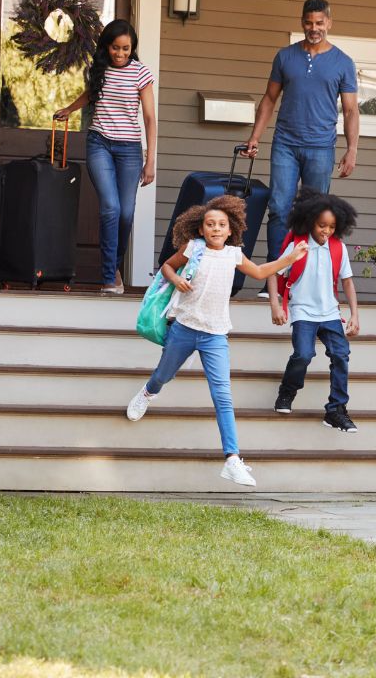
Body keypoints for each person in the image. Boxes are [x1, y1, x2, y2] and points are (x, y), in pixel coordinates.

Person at [126, 195, 308, 486]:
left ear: (230, 229)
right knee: (163, 374)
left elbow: (260, 271)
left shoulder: (234, 254)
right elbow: (166, 267)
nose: (216, 229)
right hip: (184, 329)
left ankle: (232, 459)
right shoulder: (193, 247)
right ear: (201, 229)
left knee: (223, 397)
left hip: (216, 335)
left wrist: (289, 259)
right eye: (210, 224)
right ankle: (148, 392)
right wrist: (175, 280)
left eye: (221, 224)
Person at [242, 0, 359, 298]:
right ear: (302, 22)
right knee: (279, 209)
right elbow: (269, 99)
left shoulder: (343, 62)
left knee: (315, 213)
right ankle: (274, 282)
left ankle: (305, 282)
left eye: (320, 23)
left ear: (329, 23)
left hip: (321, 147)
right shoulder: (285, 57)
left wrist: (352, 149)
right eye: (309, 22)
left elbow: (350, 111)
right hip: (285, 143)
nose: (314, 28)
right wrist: (255, 137)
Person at [55, 19, 156, 294]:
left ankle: (114, 267)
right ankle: (109, 277)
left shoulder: (140, 73)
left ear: (132, 48)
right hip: (99, 143)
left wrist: (151, 161)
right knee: (110, 208)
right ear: (107, 46)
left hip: (130, 150)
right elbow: (91, 95)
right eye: (115, 48)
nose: (120, 54)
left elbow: (149, 117)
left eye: (126, 49)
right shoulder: (98, 69)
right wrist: (70, 109)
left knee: (126, 214)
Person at [267, 188, 360, 432]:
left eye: (331, 227)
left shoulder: (338, 248)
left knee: (341, 355)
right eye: (321, 225)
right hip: (303, 312)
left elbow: (348, 281)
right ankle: (287, 391)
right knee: (304, 355)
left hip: (329, 313)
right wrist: (276, 305)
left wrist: (355, 315)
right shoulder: (298, 247)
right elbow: (273, 273)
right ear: (309, 221)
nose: (326, 231)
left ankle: (336, 410)